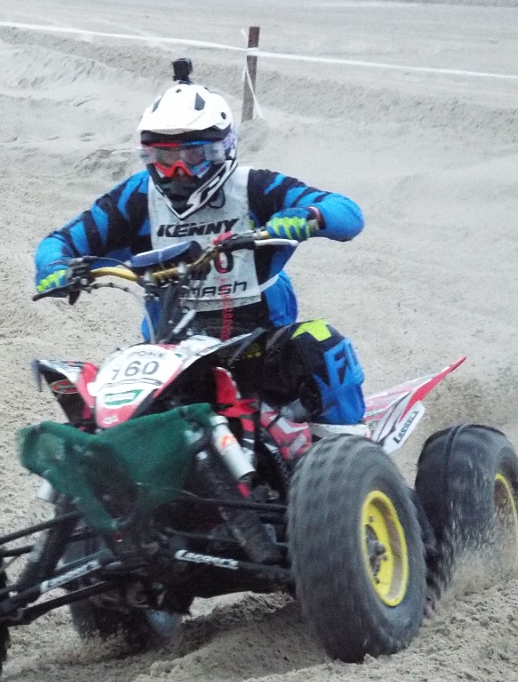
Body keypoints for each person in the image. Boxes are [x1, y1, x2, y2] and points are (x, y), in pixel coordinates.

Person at [33, 71, 367, 429]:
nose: (179, 171)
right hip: (173, 353)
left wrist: (307, 215)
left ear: (223, 148)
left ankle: (348, 448)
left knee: (319, 343)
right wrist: (54, 265)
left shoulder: (253, 186)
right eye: (164, 157)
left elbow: (348, 213)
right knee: (109, 398)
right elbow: (61, 241)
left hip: (262, 347)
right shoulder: (135, 197)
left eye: (194, 156)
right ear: (146, 154)